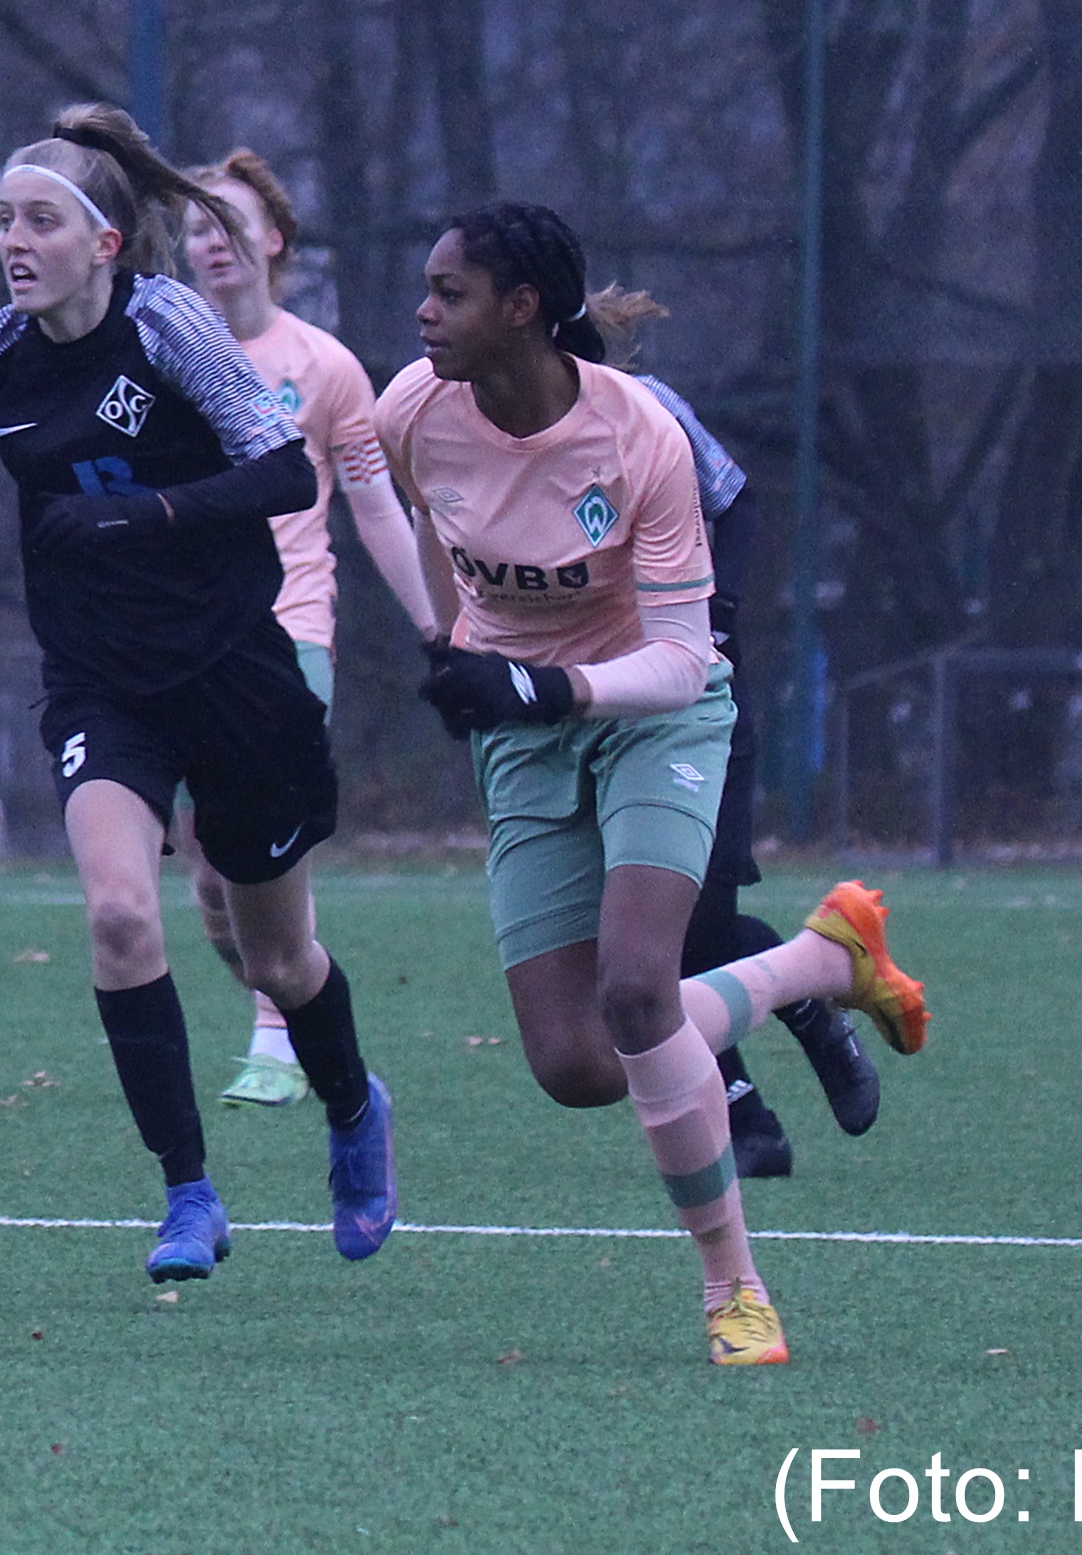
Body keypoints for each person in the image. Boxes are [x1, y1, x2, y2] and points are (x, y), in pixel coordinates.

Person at [380, 200, 929, 1365]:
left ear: (521, 308)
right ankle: (819, 962)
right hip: (529, 735)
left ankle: (736, 1289)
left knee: (639, 990)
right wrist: (455, 643)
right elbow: (430, 517)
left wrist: (542, 688)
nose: (423, 312)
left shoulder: (641, 436)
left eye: (448, 292)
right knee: (576, 1065)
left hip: (654, 716)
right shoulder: (413, 410)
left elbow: (684, 657)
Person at [0, 104, 397, 1283]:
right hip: (102, 685)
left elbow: (281, 470)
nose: (15, 241)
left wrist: (141, 514)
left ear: (104, 242)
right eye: (5, 220)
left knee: (278, 961)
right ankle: (188, 1193)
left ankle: (355, 1105)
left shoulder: (168, 326)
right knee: (117, 914)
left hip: (236, 673)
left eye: (41, 221)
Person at [583, 286, 880, 1178]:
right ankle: (750, 1120)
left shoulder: (647, 410)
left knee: (694, 931)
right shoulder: (488, 432)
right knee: (640, 950)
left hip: (692, 710)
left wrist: (716, 616)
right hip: (590, 719)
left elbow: (736, 500)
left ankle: (814, 998)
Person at [175, 150, 443, 1115]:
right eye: (196, 227)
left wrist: (437, 626)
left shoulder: (326, 368)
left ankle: (276, 1036)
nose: (212, 241)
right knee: (211, 883)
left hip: (290, 633)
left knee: (260, 847)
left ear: (275, 239)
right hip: (181, 645)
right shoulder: (159, 354)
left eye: (229, 223)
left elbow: (375, 508)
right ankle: (290, 1002)